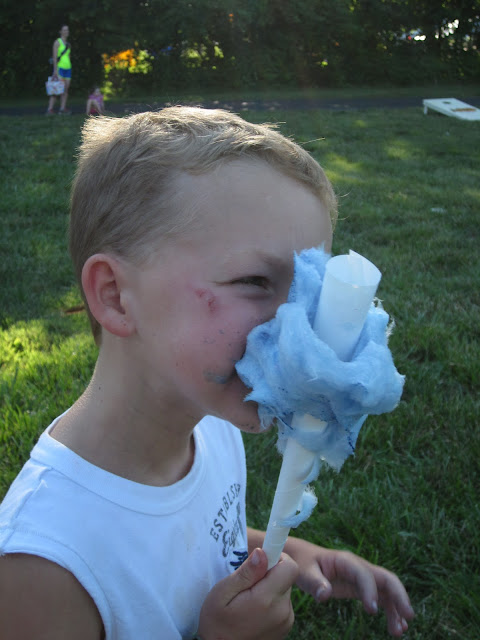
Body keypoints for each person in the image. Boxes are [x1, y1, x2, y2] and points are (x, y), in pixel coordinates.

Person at [0, 107, 414, 639]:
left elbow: (186, 539)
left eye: (312, 289)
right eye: (256, 281)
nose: (302, 329)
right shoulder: (43, 569)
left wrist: (296, 552)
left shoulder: (209, 427)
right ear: (116, 296)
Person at [46, 24, 72, 115]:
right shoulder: (57, 42)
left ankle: (62, 108)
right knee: (56, 88)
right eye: (64, 30)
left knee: (65, 89)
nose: (66, 32)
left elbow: (69, 56)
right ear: (60, 32)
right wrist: (55, 70)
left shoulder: (68, 44)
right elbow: (54, 57)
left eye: (67, 30)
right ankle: (50, 109)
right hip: (60, 68)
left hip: (68, 68)